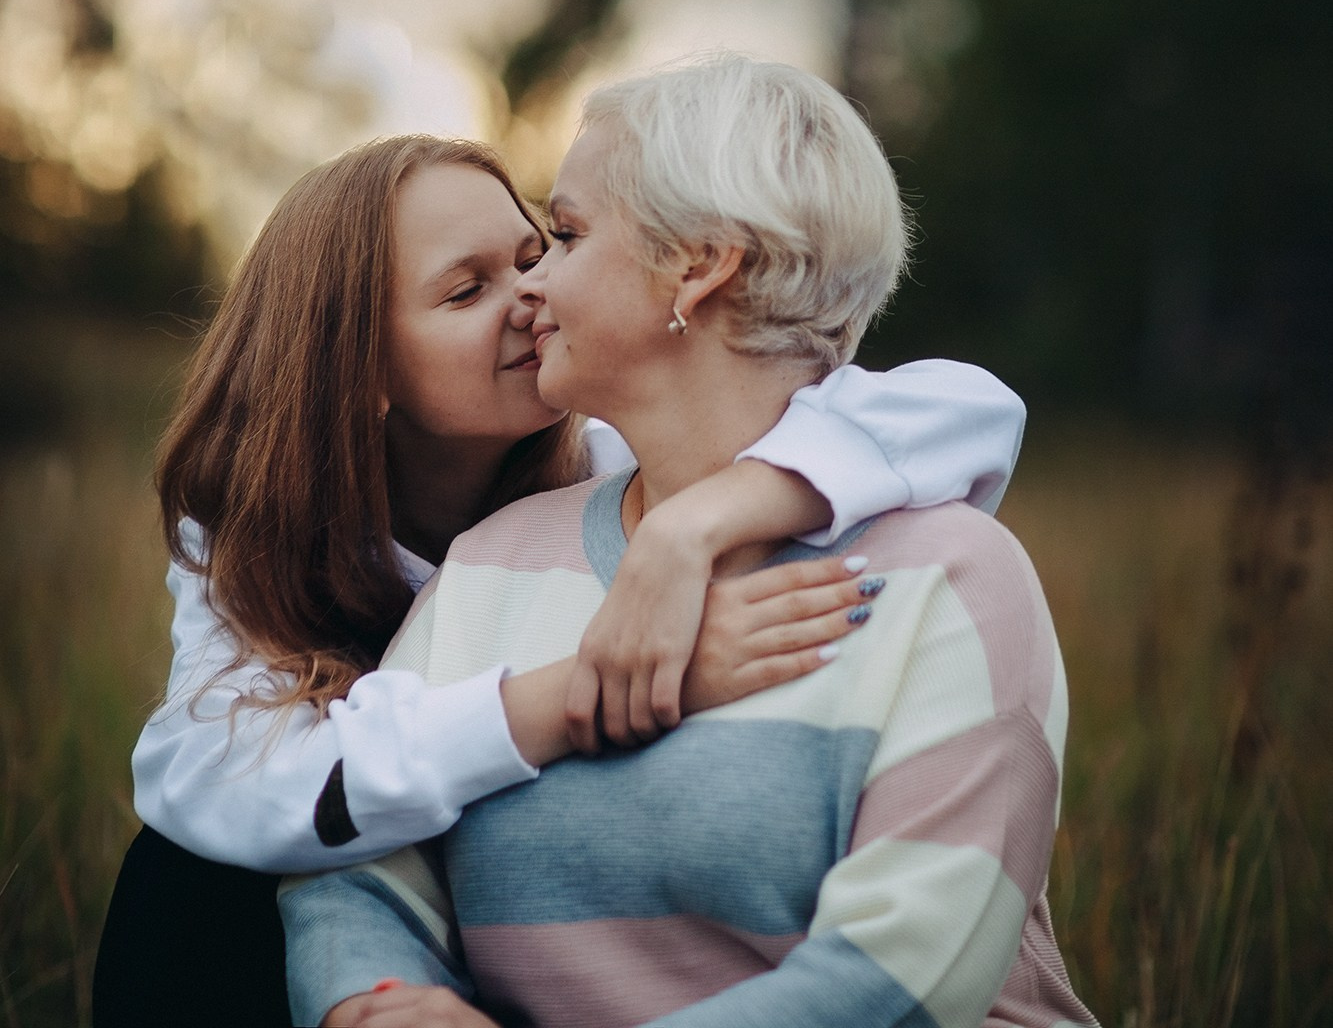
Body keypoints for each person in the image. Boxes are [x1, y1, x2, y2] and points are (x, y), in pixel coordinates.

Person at [94, 130, 1026, 1028]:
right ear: (357, 368)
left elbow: (968, 408)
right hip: (429, 881)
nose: (532, 296)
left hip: (562, 909)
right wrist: (581, 692)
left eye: (540, 252)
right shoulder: (259, 537)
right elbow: (212, 783)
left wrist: (695, 529)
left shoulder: (617, 467)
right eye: (466, 292)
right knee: (190, 881)